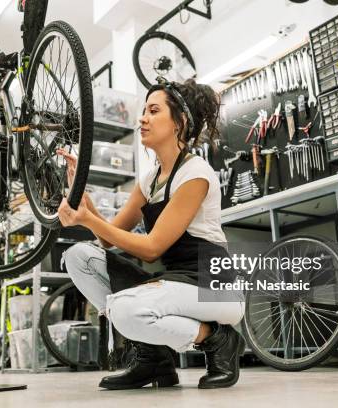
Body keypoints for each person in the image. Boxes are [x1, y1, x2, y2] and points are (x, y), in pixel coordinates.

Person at [56, 78, 245, 390]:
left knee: (126, 309)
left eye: (153, 110)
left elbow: (152, 247)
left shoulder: (195, 174)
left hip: (213, 288)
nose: (142, 118)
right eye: (143, 111)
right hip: (177, 282)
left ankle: (217, 339)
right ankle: (153, 360)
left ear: (179, 122)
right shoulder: (150, 180)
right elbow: (107, 237)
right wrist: (82, 196)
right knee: (79, 256)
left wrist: (89, 218)